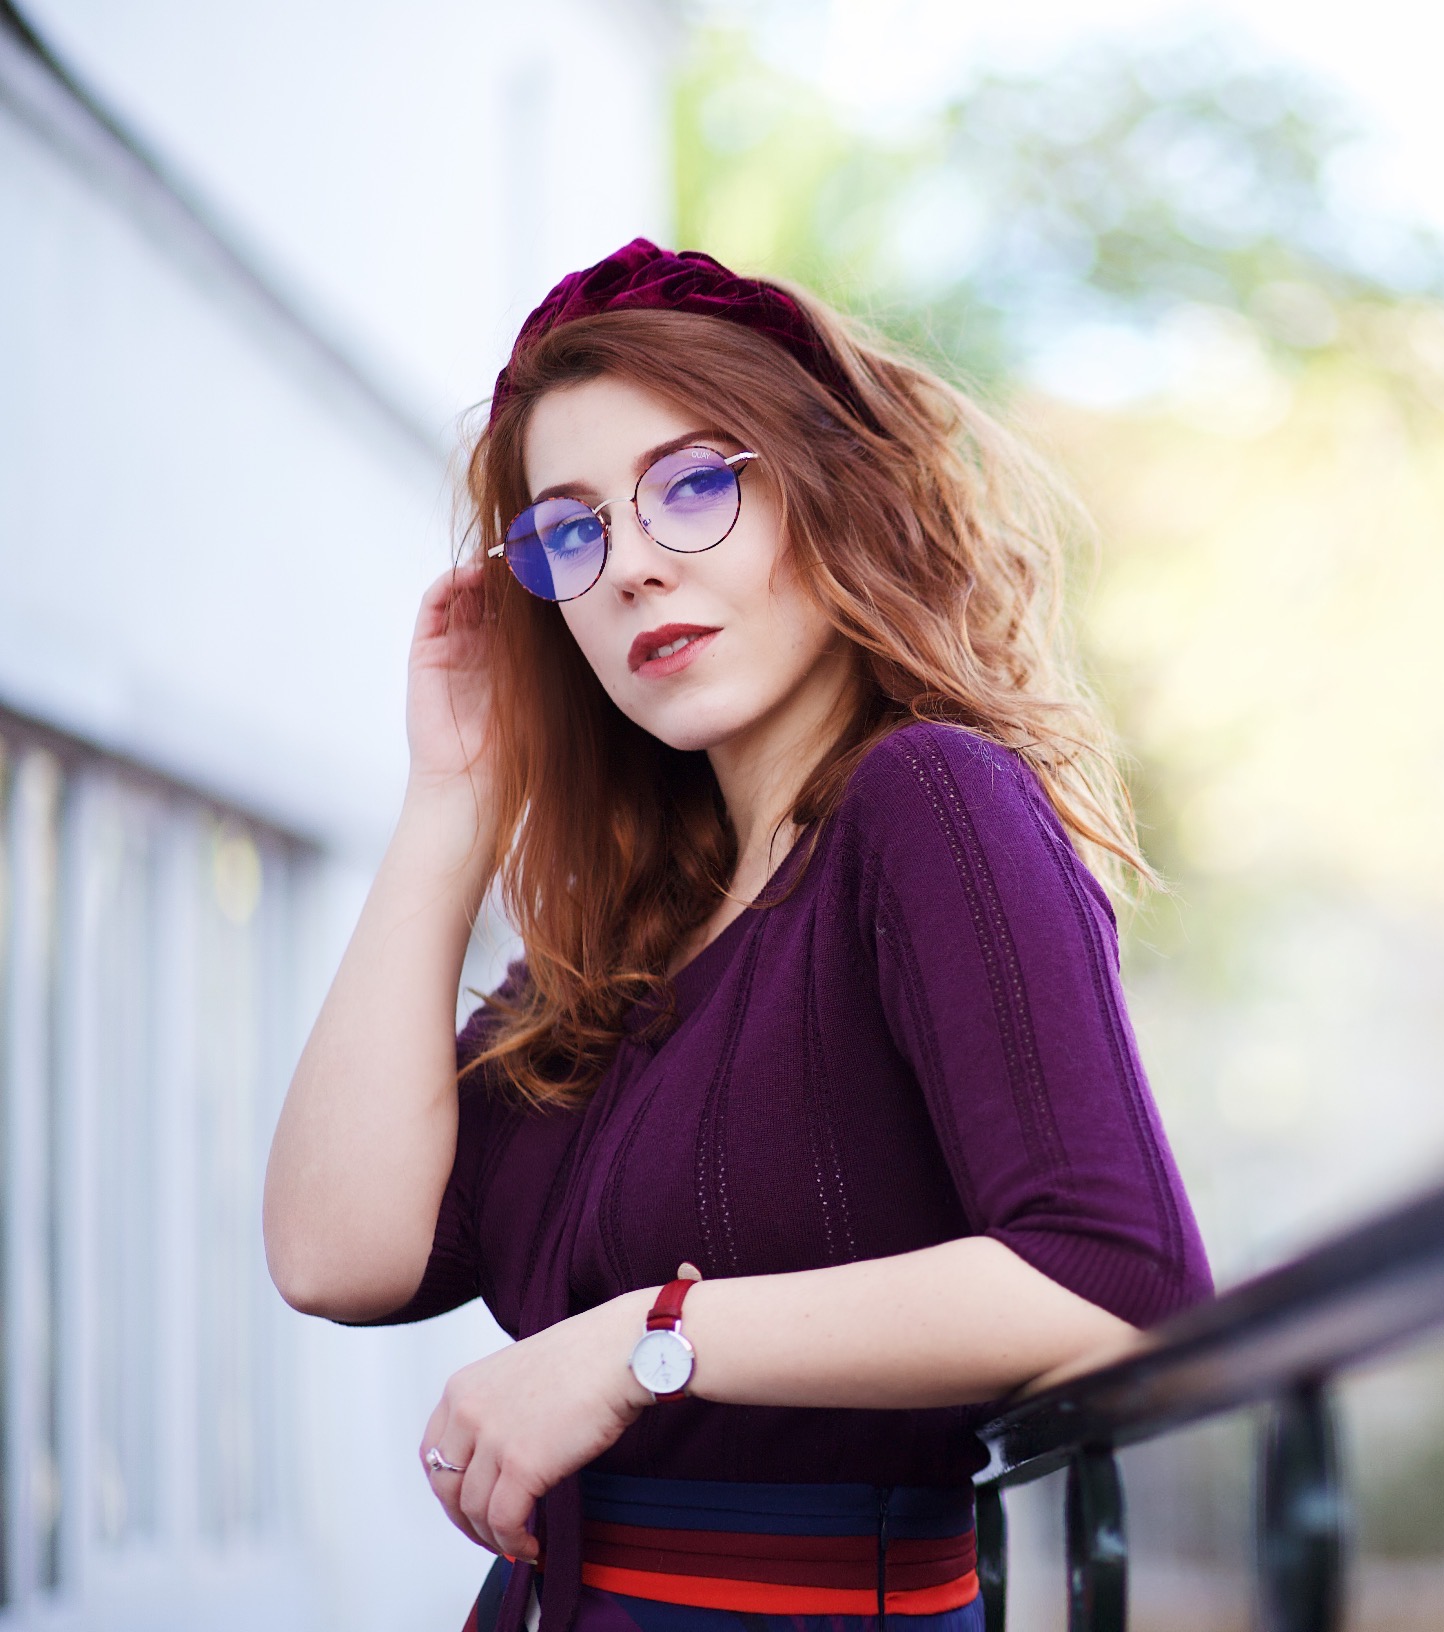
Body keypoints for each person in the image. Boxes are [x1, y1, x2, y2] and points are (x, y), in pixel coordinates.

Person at [262, 239, 1212, 1632]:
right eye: (571, 531)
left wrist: (645, 1344)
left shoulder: (929, 801)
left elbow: (1118, 1278)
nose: (632, 566)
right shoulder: (625, 944)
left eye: (694, 487)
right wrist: (452, 803)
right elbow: (335, 1255)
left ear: (827, 493)